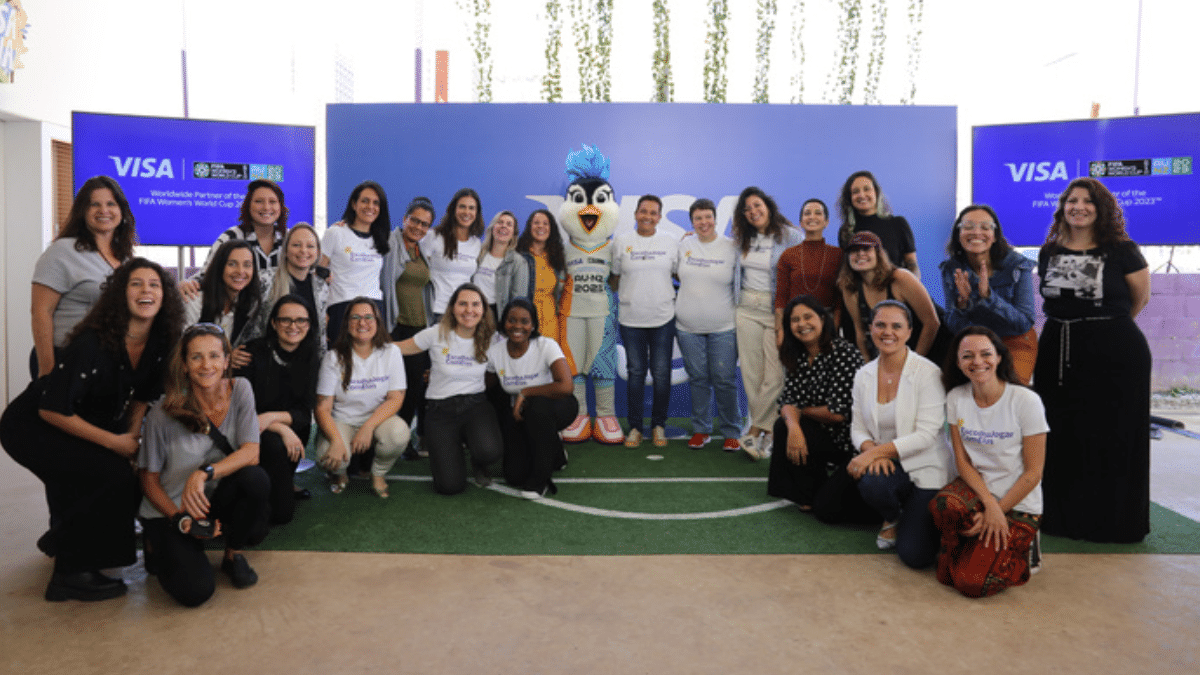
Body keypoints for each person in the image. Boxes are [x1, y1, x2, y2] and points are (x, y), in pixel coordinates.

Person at [1, 258, 182, 602]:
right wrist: (115, 443)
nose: (147, 290)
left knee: (115, 473)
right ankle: (69, 576)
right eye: (136, 284)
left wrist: (133, 438)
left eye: (155, 284)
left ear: (165, 295)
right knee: (104, 475)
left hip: (77, 423)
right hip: (32, 425)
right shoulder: (93, 343)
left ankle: (60, 541)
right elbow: (52, 409)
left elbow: (143, 397)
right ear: (120, 294)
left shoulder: (160, 342)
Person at [1034, 177, 1151, 543]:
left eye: (1087, 201)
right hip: (1058, 349)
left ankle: (1112, 523)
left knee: (1113, 435)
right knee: (1061, 432)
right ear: (1063, 207)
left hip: (1115, 353)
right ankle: (1062, 517)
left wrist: (1102, 331)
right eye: (1072, 200)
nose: (1078, 207)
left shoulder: (1123, 249)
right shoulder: (1049, 251)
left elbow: (1140, 299)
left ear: (1101, 209)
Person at [138, 323, 269, 607]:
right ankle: (158, 543)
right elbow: (148, 480)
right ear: (184, 365)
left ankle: (232, 555)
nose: (206, 365)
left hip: (212, 497)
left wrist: (204, 474)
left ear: (226, 361)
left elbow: (252, 452)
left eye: (213, 356)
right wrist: (180, 520)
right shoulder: (163, 412)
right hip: (171, 507)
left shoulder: (241, 389)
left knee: (255, 479)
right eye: (196, 357)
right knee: (196, 592)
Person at [931, 327, 1048, 597]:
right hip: (979, 493)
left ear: (998, 358)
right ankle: (975, 548)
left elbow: (1033, 473)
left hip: (1018, 502)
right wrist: (989, 505)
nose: (977, 361)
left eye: (986, 354)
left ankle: (1026, 552)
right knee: (943, 508)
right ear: (959, 363)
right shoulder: (956, 398)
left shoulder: (1025, 401)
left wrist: (999, 509)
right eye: (967, 356)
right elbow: (962, 461)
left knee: (970, 584)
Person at [848, 300, 951, 569]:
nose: (887, 332)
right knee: (872, 481)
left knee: (915, 556)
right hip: (889, 463)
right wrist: (872, 451)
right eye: (880, 325)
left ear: (909, 331)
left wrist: (873, 453)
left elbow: (927, 435)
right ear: (870, 328)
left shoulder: (928, 373)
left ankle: (919, 513)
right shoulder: (863, 374)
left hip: (926, 466)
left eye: (896, 326)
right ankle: (892, 514)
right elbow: (857, 427)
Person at [768, 296, 872, 523]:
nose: (801, 324)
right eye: (794, 320)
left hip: (852, 443)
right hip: (825, 435)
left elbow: (838, 413)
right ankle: (806, 494)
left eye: (808, 317)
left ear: (823, 320)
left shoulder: (844, 353)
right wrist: (794, 424)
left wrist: (799, 413)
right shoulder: (797, 355)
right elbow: (787, 401)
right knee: (784, 426)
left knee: (827, 510)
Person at [399, 283, 502, 495]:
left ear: (483, 309)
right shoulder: (436, 333)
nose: (469, 310)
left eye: (475, 304)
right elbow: (398, 349)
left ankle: (478, 459)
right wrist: (361, 346)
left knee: (489, 451)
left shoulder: (492, 338)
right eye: (462, 304)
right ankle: (452, 449)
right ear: (452, 308)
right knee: (449, 486)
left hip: (475, 405)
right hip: (440, 411)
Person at [30, 175, 137, 377]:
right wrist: (47, 371)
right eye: (94, 204)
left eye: (111, 204)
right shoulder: (62, 251)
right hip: (65, 359)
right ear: (82, 212)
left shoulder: (125, 259)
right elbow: (40, 313)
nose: (104, 210)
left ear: (121, 211)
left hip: (105, 363)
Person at [732, 186, 804, 459]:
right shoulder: (741, 240)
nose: (753, 212)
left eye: (757, 206)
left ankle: (759, 430)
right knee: (752, 374)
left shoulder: (791, 236)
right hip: (745, 308)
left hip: (776, 310)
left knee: (774, 374)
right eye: (747, 209)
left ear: (768, 207)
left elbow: (800, 272)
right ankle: (766, 431)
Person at [234, 295, 320, 523]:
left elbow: (304, 413)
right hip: (253, 433)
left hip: (289, 433)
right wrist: (281, 429)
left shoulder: (311, 356)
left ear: (309, 324)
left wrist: (273, 419)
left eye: (301, 320)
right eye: (286, 320)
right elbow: (240, 409)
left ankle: (279, 486)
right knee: (279, 513)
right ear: (273, 323)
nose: (294, 327)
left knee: (281, 514)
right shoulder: (251, 352)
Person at [314, 298, 410, 498]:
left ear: (378, 322)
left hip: (377, 420)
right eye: (355, 317)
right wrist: (336, 440)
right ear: (347, 323)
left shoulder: (391, 352)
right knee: (328, 455)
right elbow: (322, 408)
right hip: (343, 421)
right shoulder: (333, 357)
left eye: (368, 317)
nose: (362, 323)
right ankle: (339, 474)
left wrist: (368, 427)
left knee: (398, 434)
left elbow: (396, 398)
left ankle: (378, 474)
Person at [487, 298, 578, 498]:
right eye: (512, 320)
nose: (518, 326)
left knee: (537, 407)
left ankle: (540, 480)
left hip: (557, 406)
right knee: (514, 475)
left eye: (524, 321)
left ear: (533, 325)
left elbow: (566, 386)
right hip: (520, 414)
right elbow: (483, 384)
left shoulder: (546, 346)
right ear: (504, 323)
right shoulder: (495, 353)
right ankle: (556, 453)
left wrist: (526, 392)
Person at [939, 205, 1037, 383]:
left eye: (985, 227)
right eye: (968, 226)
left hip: (1014, 341)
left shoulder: (1017, 265)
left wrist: (989, 297)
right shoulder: (951, 269)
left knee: (1006, 395)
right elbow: (953, 325)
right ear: (958, 234)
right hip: (973, 344)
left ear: (995, 236)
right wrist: (962, 303)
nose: (976, 232)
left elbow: (1024, 323)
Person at [611, 194, 679, 448]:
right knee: (636, 373)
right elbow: (614, 278)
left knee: (662, 374)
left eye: (653, 213)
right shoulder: (622, 241)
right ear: (636, 214)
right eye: (643, 211)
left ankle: (658, 426)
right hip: (631, 319)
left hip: (663, 318)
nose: (647, 217)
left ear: (659, 217)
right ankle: (636, 428)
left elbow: (678, 274)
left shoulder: (671, 242)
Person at [675, 198, 741, 451]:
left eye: (708, 217)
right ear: (692, 222)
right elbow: (672, 273)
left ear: (716, 219)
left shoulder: (731, 247)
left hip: (723, 326)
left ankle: (731, 431)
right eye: (698, 218)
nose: (704, 222)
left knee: (724, 379)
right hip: (687, 327)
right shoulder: (684, 245)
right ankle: (701, 430)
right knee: (699, 379)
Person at [381, 196, 438, 449]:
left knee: (414, 390)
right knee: (390, 390)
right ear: (404, 219)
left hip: (418, 330)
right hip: (394, 328)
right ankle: (382, 440)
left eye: (425, 224)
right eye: (414, 220)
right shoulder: (389, 244)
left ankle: (401, 442)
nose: (418, 227)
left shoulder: (421, 251)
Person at [839, 231, 944, 364]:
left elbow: (932, 323)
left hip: (933, 347)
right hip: (895, 355)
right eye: (854, 251)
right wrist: (866, 365)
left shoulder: (900, 278)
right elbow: (860, 331)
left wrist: (913, 363)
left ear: (879, 254)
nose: (860, 254)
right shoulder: (849, 287)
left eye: (866, 248)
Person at [179, 179, 288, 297]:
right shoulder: (231, 237)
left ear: (281, 207)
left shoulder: (290, 239)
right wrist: (188, 283)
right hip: (239, 311)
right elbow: (207, 274)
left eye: (272, 201)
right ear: (248, 205)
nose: (266, 207)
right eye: (259, 201)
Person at [321, 180, 391, 345]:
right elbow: (318, 274)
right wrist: (321, 310)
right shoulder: (335, 233)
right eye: (364, 201)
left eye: (376, 203)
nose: (370, 207)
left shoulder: (381, 238)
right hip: (342, 308)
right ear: (354, 204)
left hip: (374, 308)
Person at [183, 240, 263, 369]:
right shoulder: (196, 300)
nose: (240, 271)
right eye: (232, 264)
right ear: (220, 267)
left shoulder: (250, 304)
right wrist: (226, 357)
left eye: (247, 265)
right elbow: (183, 348)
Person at [495, 208, 568, 345]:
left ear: (551, 228)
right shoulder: (518, 254)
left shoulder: (557, 257)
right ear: (529, 227)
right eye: (536, 223)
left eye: (545, 223)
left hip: (550, 323)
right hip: (524, 322)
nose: (541, 226)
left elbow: (561, 291)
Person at [836, 170, 919, 277]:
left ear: (876, 192)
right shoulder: (846, 231)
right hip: (862, 292)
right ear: (850, 198)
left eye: (867, 189)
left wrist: (910, 289)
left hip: (897, 290)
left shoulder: (898, 224)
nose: (861, 195)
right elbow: (847, 272)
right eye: (856, 191)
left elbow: (912, 264)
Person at [260, 223, 330, 348]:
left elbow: (321, 333)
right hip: (268, 360)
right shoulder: (265, 279)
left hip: (308, 361)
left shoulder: (321, 287)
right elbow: (251, 324)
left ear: (318, 252)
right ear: (285, 250)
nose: (303, 250)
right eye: (296, 245)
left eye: (310, 246)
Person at [775, 198, 843, 325]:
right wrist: (780, 330)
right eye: (807, 213)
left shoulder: (837, 254)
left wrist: (835, 327)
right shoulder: (788, 255)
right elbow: (781, 298)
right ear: (801, 222)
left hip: (826, 321)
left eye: (818, 213)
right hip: (796, 322)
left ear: (826, 222)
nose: (812, 217)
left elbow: (839, 298)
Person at [423, 188, 484, 321]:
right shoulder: (434, 236)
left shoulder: (476, 243)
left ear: (477, 213)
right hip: (436, 311)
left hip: (464, 314)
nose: (467, 212)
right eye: (462, 207)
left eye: (471, 208)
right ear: (453, 209)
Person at [473, 210, 519, 318]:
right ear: (492, 228)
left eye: (509, 224)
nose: (504, 226)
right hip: (472, 311)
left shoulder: (518, 262)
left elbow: (517, 299)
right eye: (500, 222)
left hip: (496, 316)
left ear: (513, 233)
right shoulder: (478, 253)